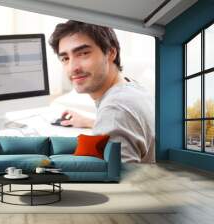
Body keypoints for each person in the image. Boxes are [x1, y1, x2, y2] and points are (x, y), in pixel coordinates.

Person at [49, 20, 155, 163]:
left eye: (83, 53)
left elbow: (118, 182)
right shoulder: (133, 88)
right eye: (65, 58)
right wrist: (93, 122)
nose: (73, 67)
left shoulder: (115, 112)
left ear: (111, 52)